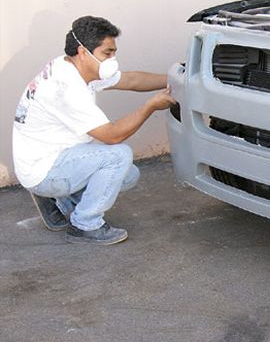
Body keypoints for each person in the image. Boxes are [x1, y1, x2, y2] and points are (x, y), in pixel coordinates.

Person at [12, 15, 177, 245]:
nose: (113, 59)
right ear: (83, 51)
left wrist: (174, 79)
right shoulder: (65, 88)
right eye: (107, 53)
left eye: (114, 53)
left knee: (128, 175)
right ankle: (85, 225)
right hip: (43, 167)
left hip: (51, 156)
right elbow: (112, 135)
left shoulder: (73, 66)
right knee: (119, 156)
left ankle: (57, 200)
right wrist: (150, 106)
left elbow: (131, 80)